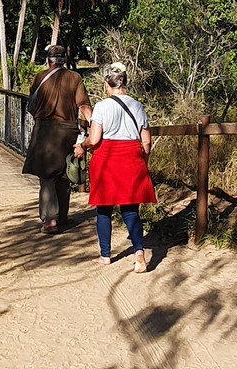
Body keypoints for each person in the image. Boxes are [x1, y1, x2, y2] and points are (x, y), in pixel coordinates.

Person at [74, 62, 156, 272]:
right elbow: (146, 141)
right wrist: (143, 162)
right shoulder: (137, 106)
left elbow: (94, 139)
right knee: (130, 210)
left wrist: (82, 144)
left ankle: (105, 255)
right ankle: (139, 252)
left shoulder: (102, 107)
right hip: (131, 159)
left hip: (107, 160)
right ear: (124, 82)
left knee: (104, 209)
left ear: (106, 84)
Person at [22, 45, 93, 234]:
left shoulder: (39, 77)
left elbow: (31, 104)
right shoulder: (75, 78)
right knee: (64, 174)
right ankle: (62, 216)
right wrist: (94, 126)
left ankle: (50, 220)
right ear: (65, 60)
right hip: (67, 131)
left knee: (46, 177)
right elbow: (83, 106)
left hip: (44, 131)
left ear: (48, 60)